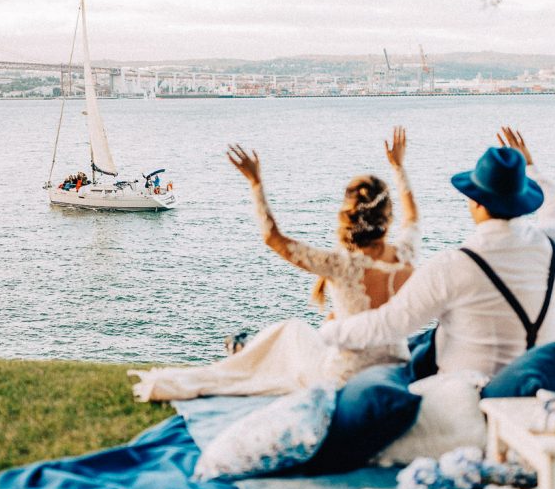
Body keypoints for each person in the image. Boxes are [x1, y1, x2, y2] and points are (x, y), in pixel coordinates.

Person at [128, 127, 420, 401]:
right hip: (396, 370)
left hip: (347, 378)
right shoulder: (405, 254)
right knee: (303, 336)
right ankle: (241, 351)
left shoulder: (338, 264)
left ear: (348, 214)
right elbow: (413, 217)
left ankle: (240, 352)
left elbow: (272, 237)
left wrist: (256, 183)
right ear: (387, 215)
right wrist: (399, 167)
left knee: (290, 333)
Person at [319, 127, 555, 378]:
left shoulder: (454, 264)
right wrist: (530, 166)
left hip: (474, 390)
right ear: (522, 199)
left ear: (475, 202)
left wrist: (332, 330)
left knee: (420, 346)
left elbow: (390, 324)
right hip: (544, 376)